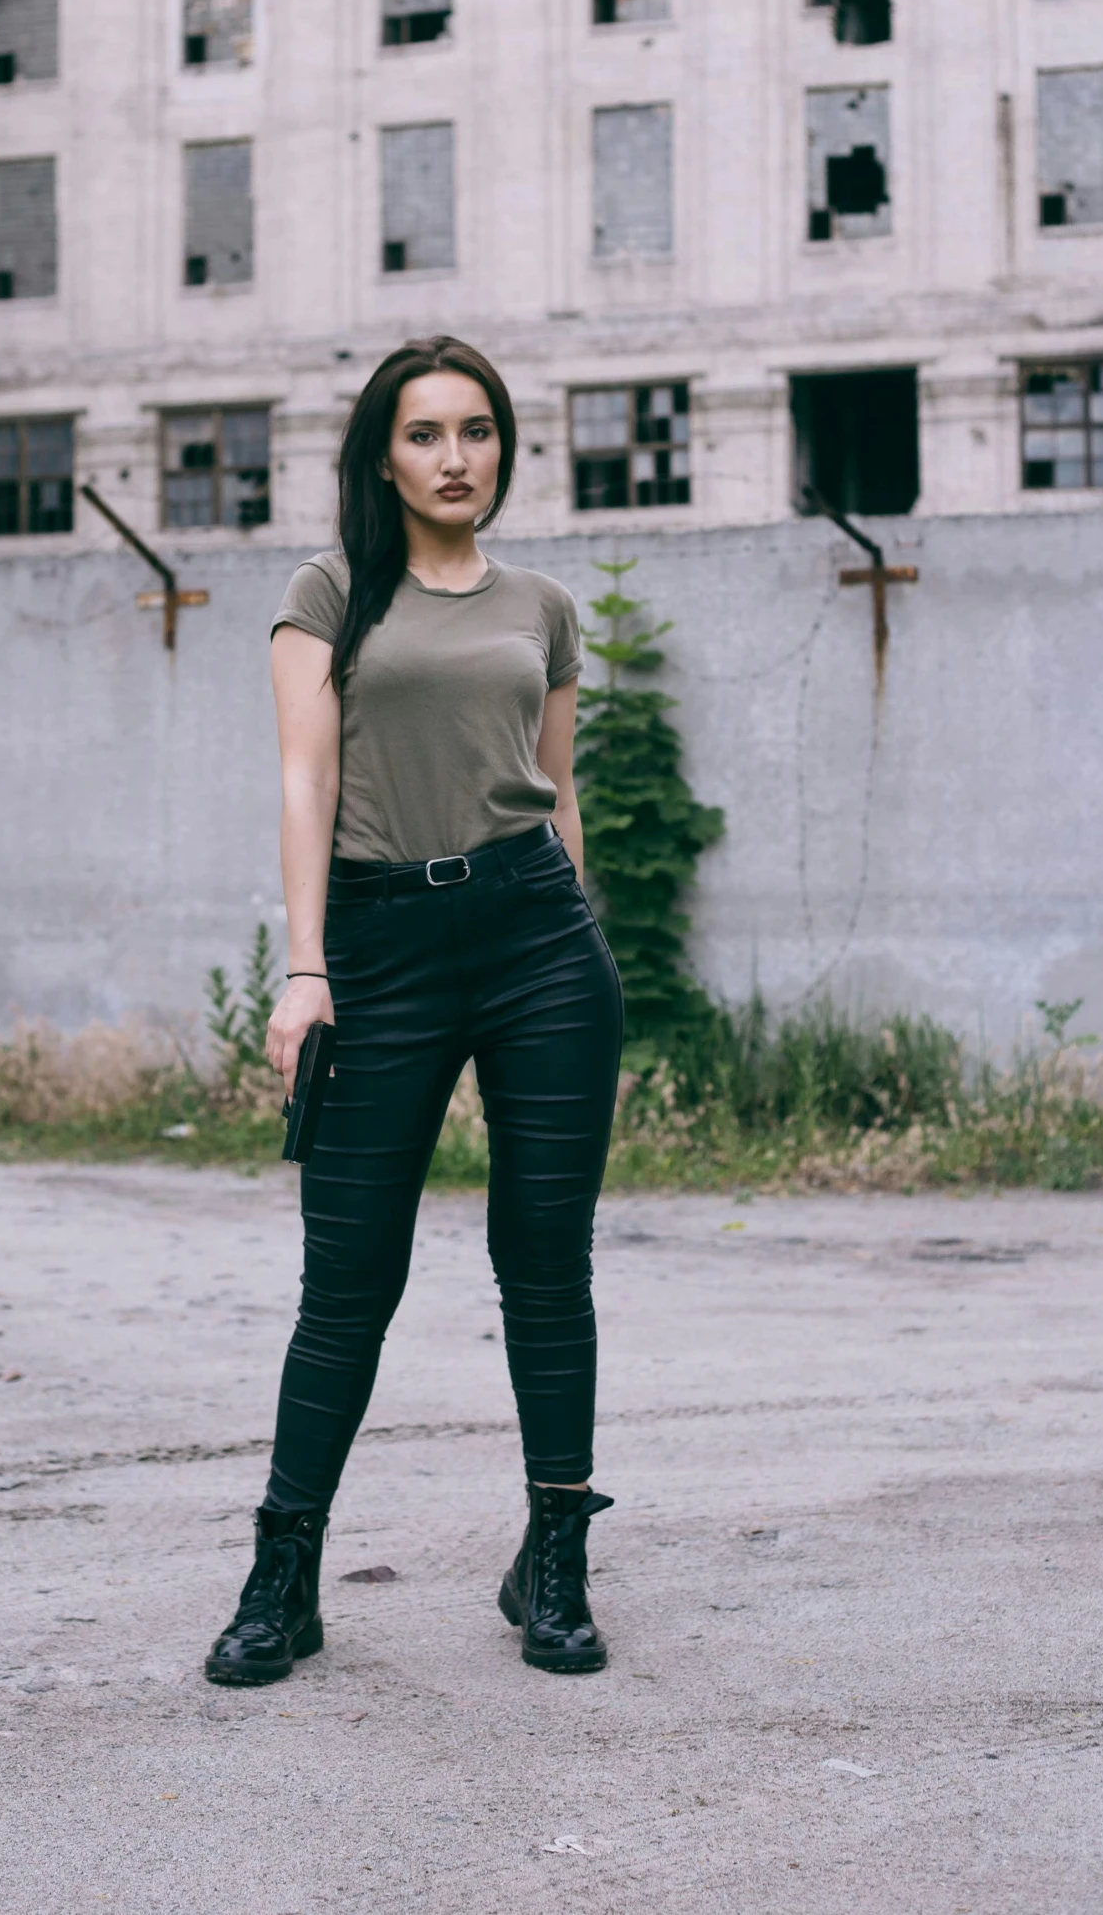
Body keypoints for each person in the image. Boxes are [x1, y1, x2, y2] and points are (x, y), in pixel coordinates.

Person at [204, 335, 624, 1688]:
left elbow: (555, 791)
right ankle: (284, 1573)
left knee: (544, 1259)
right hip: (379, 942)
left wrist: (582, 934)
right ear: (382, 456)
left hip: (534, 935)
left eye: (478, 431)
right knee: (348, 1282)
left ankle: (553, 1552)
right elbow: (301, 782)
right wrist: (306, 966)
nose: (457, 457)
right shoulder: (327, 593)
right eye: (428, 433)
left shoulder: (545, 606)